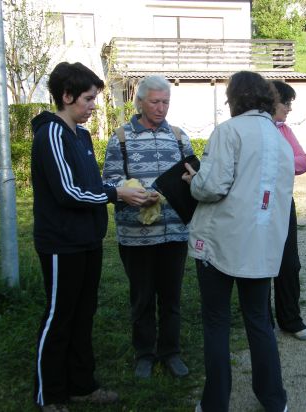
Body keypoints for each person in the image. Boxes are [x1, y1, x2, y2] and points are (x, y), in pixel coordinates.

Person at [32, 62, 147, 412]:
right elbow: (68, 192)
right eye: (88, 99)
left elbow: (91, 185)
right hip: (61, 243)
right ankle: (50, 395)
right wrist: (116, 194)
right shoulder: (51, 134)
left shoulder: (80, 136)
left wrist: (124, 189)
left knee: (83, 315)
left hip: (87, 241)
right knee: (59, 317)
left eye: (94, 98)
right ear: (67, 96)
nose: (93, 106)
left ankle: (82, 386)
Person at [182, 71, 292, 412]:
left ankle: (215, 404)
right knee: (259, 321)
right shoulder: (280, 139)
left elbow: (212, 187)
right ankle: (273, 399)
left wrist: (193, 180)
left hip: (220, 243)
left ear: (235, 98)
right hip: (260, 245)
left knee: (216, 322)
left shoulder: (229, 131)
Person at [102, 75, 193, 379]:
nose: (161, 107)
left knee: (171, 298)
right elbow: (110, 181)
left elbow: (193, 176)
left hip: (174, 232)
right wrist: (134, 194)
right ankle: (144, 353)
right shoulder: (120, 138)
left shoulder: (179, 137)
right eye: (155, 102)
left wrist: (192, 181)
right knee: (142, 298)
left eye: (165, 102)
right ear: (139, 102)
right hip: (135, 236)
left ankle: (171, 352)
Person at [268, 80, 306, 341]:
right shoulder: (254, 129)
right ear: (272, 101)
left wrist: (275, 163)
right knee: (261, 263)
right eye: (286, 103)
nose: (289, 108)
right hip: (256, 205)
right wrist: (285, 163)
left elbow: (303, 162)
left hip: (284, 202)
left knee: (289, 263)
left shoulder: (284, 130)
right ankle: (263, 323)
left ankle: (290, 320)